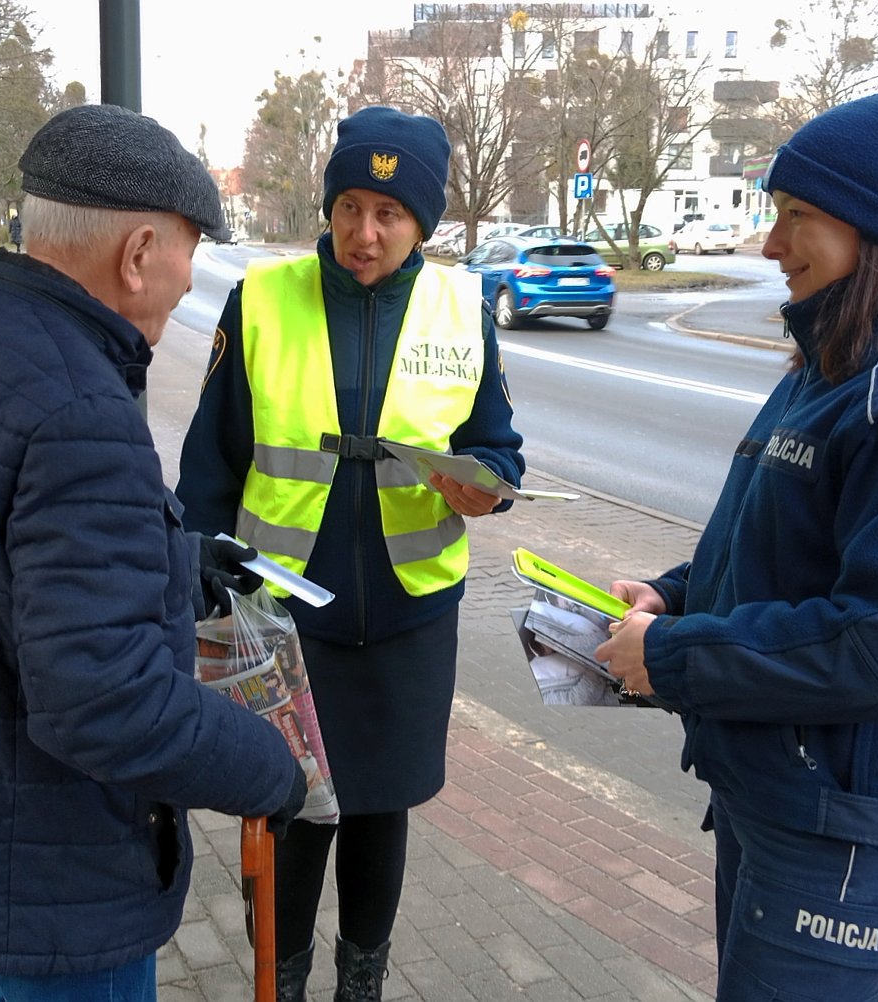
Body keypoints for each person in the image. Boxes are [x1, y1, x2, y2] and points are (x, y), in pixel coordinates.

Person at [0, 104, 308, 1002]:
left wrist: (176, 558)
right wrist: (266, 768)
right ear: (136, 256)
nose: (185, 283)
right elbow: (108, 702)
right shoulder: (79, 414)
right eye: (187, 254)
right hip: (55, 875)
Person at [595, 89, 878, 1002]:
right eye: (776, 214)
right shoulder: (835, 365)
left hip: (843, 829)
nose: (770, 244)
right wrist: (677, 595)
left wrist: (672, 656)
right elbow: (778, 547)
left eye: (800, 219)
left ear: (873, 233)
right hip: (774, 789)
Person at [176, 105, 524, 1002]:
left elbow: (498, 443)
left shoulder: (460, 304)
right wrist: (203, 585)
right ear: (328, 206)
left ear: (423, 224)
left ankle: (360, 982)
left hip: (410, 619)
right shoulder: (261, 297)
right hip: (283, 618)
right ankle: (278, 983)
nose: (364, 234)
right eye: (350, 208)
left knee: (381, 810)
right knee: (290, 813)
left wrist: (487, 479)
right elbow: (210, 463)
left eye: (391, 215)